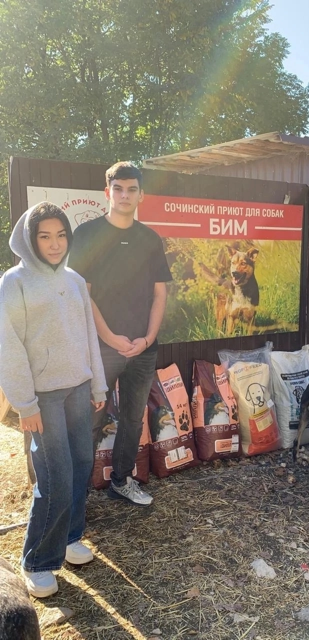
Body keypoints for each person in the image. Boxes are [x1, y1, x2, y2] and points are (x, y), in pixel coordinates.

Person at [0, 202, 107, 598]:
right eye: (44, 236)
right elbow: (8, 346)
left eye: (61, 235)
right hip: (42, 398)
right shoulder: (15, 282)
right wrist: (24, 404)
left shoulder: (75, 280)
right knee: (55, 476)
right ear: (29, 239)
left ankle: (70, 537)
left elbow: (88, 335)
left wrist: (98, 385)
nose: (55, 243)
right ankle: (38, 560)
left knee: (81, 465)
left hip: (79, 389)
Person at [68, 161, 172, 506]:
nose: (124, 195)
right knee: (90, 420)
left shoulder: (150, 238)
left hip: (143, 349)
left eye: (131, 189)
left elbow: (160, 294)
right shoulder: (87, 234)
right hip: (101, 348)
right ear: (107, 193)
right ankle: (78, 496)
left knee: (132, 419)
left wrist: (147, 338)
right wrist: (111, 338)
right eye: (118, 189)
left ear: (141, 195)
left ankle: (122, 481)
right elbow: (83, 294)